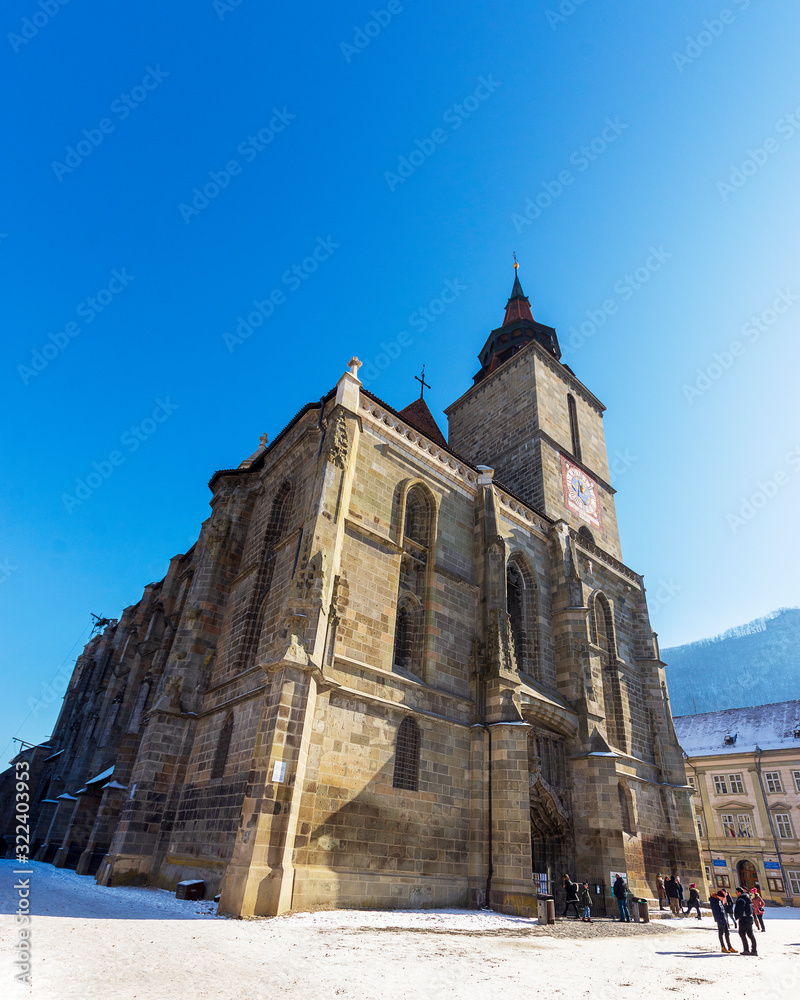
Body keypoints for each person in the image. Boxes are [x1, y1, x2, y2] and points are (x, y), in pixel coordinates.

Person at [733, 887, 758, 956]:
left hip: (744, 918)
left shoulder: (741, 899)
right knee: (750, 934)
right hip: (750, 918)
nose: (736, 894)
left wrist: (738, 916)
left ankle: (746, 950)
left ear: (739, 892)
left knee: (742, 933)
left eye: (736, 892)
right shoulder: (748, 898)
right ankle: (754, 950)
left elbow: (739, 909)